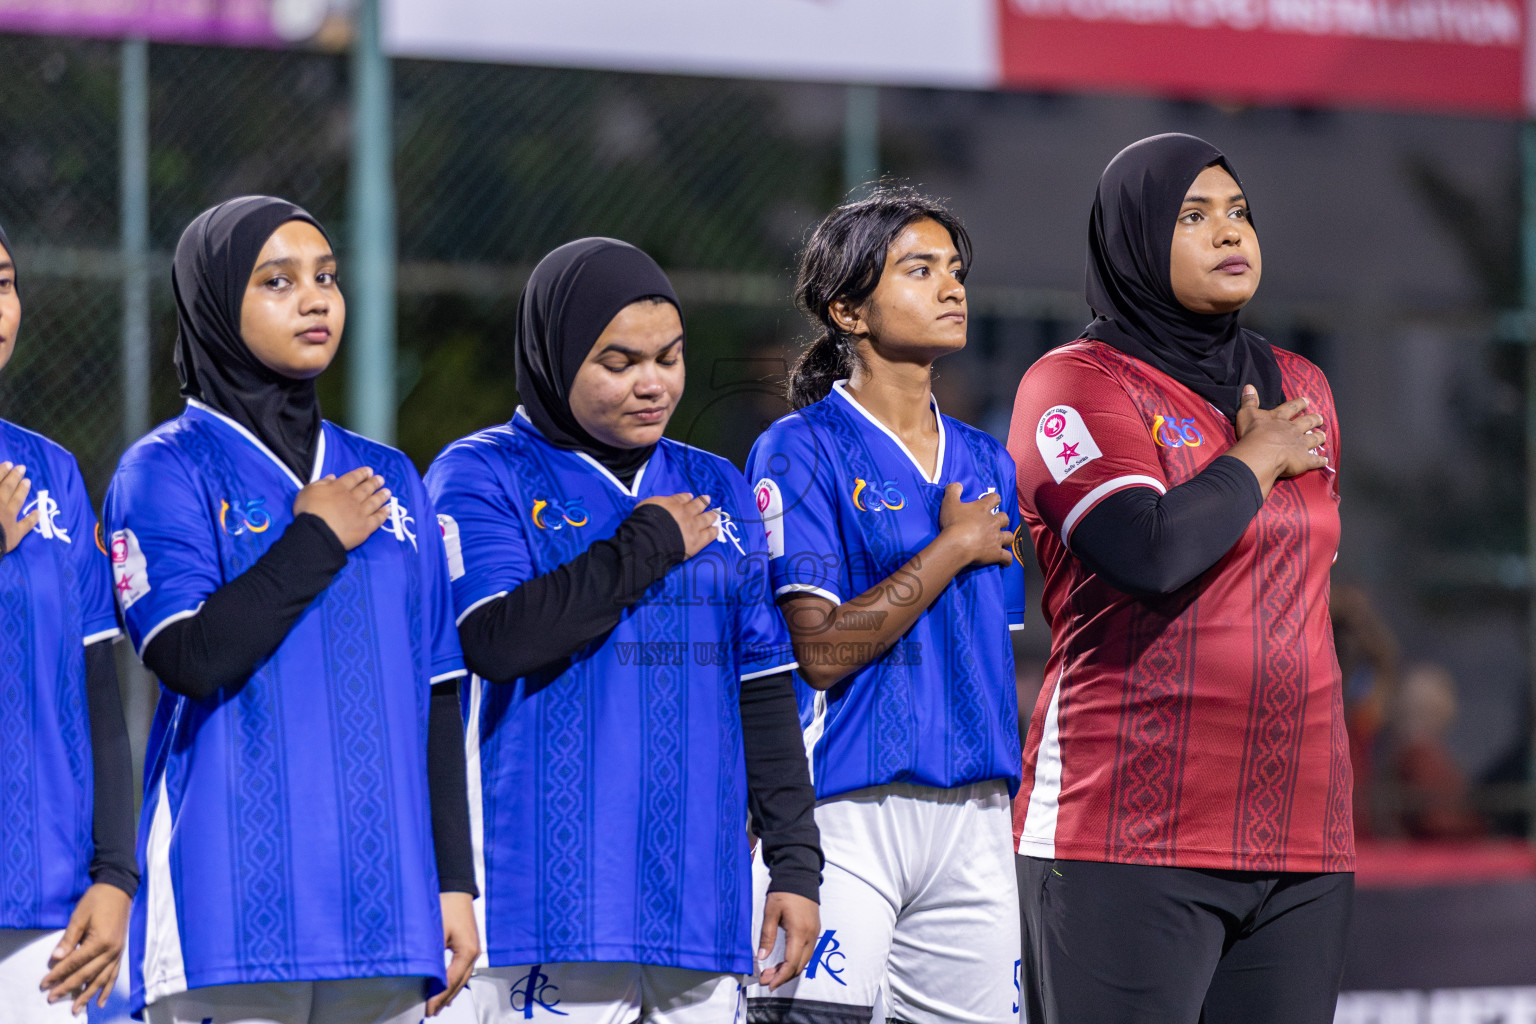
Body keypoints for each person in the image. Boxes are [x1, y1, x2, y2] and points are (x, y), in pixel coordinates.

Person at [424, 237, 820, 1024]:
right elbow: (498, 640)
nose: (653, 383)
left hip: (697, 904)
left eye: (669, 358)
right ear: (555, 355)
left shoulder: (716, 483)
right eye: (619, 361)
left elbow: (763, 686)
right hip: (541, 902)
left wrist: (795, 866)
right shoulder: (481, 474)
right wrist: (650, 545)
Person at [103, 196, 479, 1024]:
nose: (315, 299)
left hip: (384, 910)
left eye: (326, 278)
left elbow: (437, 693)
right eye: (277, 281)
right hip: (229, 906)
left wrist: (454, 883)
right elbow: (191, 657)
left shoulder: (389, 475)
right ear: (214, 303)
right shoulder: (164, 470)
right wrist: (315, 539)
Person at [1010, 133, 1351, 1024]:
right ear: (1135, 242)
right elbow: (1145, 549)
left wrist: (1268, 447)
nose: (1228, 232)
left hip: (1303, 833)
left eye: (1238, 212)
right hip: (1127, 829)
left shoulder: (1302, 384)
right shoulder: (1073, 384)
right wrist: (1258, 456)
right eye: (1193, 217)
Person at [745, 187, 1026, 1024]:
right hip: (846, 808)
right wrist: (950, 548)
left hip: (976, 816)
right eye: (920, 269)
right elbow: (821, 652)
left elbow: (991, 653)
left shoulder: (987, 461)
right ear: (848, 310)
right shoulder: (798, 449)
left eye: (956, 270)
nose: (952, 288)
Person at [0, 223, 137, 1019]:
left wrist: (114, 876)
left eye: (5, 282)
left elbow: (97, 695)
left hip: (48, 906)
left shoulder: (53, 471)